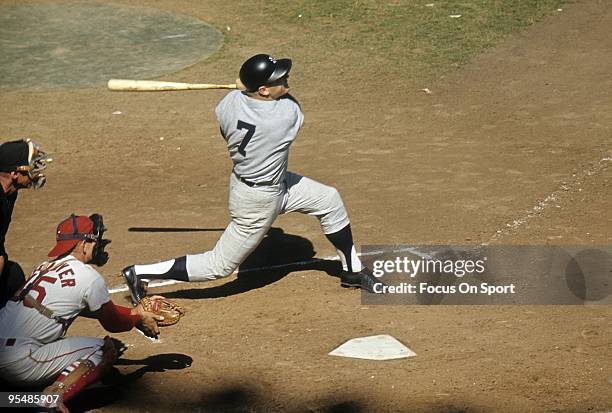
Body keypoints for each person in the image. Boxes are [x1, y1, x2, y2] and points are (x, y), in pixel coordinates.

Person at [122, 53, 382, 306]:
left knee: (328, 199)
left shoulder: (228, 104)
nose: (286, 79)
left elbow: (231, 121)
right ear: (263, 90)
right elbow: (293, 103)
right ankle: (140, 272)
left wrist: (245, 89)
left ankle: (351, 270)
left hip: (272, 182)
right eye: (279, 79)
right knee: (219, 266)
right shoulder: (282, 117)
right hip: (258, 200)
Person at [0, 214, 162, 412]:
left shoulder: (44, 267)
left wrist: (133, 313)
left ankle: (9, 399)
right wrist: (138, 318)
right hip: (18, 362)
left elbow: (84, 307)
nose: (98, 244)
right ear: (84, 243)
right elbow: (113, 323)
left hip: (5, 352)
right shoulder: (88, 277)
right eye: (94, 240)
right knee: (103, 350)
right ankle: (45, 404)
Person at [0, 138, 51, 308]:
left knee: (13, 276)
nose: (35, 170)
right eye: (30, 166)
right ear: (14, 174)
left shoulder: (9, 193)